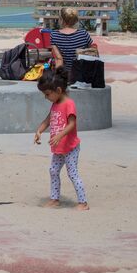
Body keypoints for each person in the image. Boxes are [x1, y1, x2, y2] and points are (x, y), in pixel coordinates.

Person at [33, 68, 89, 210]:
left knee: (72, 173)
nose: (46, 97)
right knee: (53, 170)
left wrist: (59, 135)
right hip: (59, 148)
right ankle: (54, 199)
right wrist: (39, 130)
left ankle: (83, 202)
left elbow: (72, 124)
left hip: (70, 147)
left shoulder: (69, 104)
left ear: (58, 90)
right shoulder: (55, 104)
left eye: (47, 94)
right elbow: (48, 119)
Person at [48, 7, 96, 74]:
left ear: (61, 20)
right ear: (75, 20)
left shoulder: (54, 35)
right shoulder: (83, 33)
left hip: (65, 75)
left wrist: (58, 78)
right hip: (82, 75)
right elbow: (92, 51)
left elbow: (59, 59)